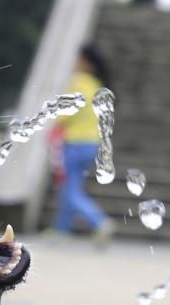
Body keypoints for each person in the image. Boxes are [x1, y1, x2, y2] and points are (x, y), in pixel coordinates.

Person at [52, 44, 115, 243]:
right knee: (72, 185)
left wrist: (55, 126)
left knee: (69, 190)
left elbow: (66, 111)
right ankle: (62, 229)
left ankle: (100, 221)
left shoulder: (78, 81)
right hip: (92, 144)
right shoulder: (96, 85)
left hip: (74, 142)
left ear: (85, 62)